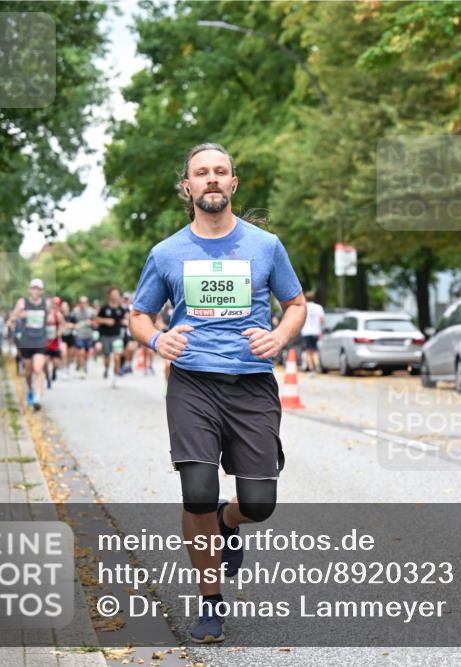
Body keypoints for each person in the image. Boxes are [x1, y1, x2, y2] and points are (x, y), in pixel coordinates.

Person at [129, 142, 306, 643]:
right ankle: (210, 601)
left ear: (233, 184)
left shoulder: (265, 246)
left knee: (259, 503)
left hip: (252, 386)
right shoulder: (166, 253)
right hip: (192, 384)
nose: (210, 178)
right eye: (200, 172)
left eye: (220, 171)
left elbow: (295, 303)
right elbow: (139, 315)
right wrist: (160, 338)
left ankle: (228, 524)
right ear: (187, 187)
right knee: (197, 492)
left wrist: (279, 335)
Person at [8, 279, 51, 411]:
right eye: (33, 288)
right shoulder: (22, 303)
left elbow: (52, 318)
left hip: (40, 341)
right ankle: (30, 389)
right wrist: (19, 312)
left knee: (38, 369)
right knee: (28, 372)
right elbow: (12, 319)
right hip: (26, 341)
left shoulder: (46, 304)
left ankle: (37, 398)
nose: (35, 291)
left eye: (38, 289)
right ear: (30, 290)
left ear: (41, 291)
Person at [96, 288, 127, 387]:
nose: (115, 296)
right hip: (105, 335)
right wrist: (106, 321)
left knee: (117, 357)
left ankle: (115, 378)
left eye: (117, 294)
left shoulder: (122, 309)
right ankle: (106, 368)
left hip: (117, 336)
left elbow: (125, 320)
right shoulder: (104, 308)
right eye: (113, 294)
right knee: (107, 357)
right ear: (109, 296)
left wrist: (126, 322)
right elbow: (97, 319)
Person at [301, 291, 325, 372]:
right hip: (316, 331)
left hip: (306, 331)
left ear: (306, 298)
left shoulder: (304, 307)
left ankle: (311, 369)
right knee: (315, 350)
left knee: (308, 352)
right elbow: (322, 320)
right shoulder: (319, 307)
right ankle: (317, 365)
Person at [72, 296, 96, 378]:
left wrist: (91, 323)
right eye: (81, 302)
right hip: (79, 335)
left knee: (86, 353)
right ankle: (82, 369)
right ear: (79, 304)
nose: (83, 304)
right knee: (81, 352)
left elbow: (96, 323)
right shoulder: (75, 311)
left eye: (85, 302)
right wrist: (75, 326)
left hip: (88, 335)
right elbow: (71, 322)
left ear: (87, 303)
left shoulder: (92, 311)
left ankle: (85, 364)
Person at [44, 296, 64, 386]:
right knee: (45, 362)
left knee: (56, 363)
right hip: (45, 343)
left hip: (55, 343)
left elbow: (63, 326)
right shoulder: (44, 315)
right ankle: (47, 379)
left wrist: (59, 332)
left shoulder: (58, 315)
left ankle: (54, 371)